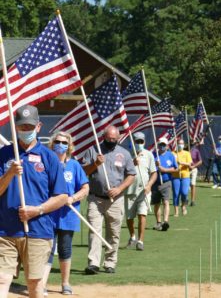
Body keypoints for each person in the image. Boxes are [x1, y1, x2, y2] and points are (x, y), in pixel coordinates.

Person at [0, 104, 68, 298]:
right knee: (2, 279)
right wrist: (10, 173)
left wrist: (36, 210)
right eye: (22, 127)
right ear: (15, 127)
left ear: (39, 127)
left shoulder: (49, 157)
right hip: (5, 230)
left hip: (38, 230)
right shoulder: (4, 155)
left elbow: (62, 196)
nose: (26, 131)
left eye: (30, 127)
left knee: (35, 284)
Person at [82, 126, 136, 275]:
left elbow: (131, 174)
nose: (111, 141)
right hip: (96, 198)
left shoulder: (124, 154)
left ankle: (110, 262)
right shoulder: (93, 151)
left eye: (114, 139)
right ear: (103, 136)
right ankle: (93, 263)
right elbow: (83, 172)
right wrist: (96, 164)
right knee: (94, 230)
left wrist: (119, 189)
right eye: (109, 139)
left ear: (118, 138)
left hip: (116, 200)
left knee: (114, 232)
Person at [43, 131, 89, 295]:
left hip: (68, 216)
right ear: (52, 142)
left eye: (64, 142)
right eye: (57, 141)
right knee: (46, 249)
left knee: (65, 249)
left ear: (69, 146)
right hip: (48, 214)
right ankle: (42, 284)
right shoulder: (46, 162)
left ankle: (65, 283)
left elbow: (85, 187)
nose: (60, 144)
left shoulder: (74, 165)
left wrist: (73, 198)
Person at [125, 132, 157, 251]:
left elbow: (154, 173)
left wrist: (149, 185)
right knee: (129, 217)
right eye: (136, 142)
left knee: (142, 214)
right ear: (132, 142)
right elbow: (122, 173)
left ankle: (140, 241)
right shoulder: (127, 155)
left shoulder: (149, 155)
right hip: (129, 190)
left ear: (144, 142)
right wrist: (131, 164)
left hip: (144, 191)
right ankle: (132, 237)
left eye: (141, 141)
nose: (139, 144)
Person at [152, 137, 178, 231]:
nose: (162, 146)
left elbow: (175, 168)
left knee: (166, 202)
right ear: (158, 145)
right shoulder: (153, 154)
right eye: (161, 144)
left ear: (167, 146)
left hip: (167, 182)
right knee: (156, 203)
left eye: (164, 145)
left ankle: (165, 222)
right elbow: (149, 167)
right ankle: (158, 222)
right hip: (155, 182)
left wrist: (164, 170)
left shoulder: (170, 155)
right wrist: (155, 165)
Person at [172, 139, 193, 216]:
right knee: (176, 193)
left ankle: (183, 206)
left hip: (185, 176)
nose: (180, 145)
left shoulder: (187, 153)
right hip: (175, 176)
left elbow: (190, 164)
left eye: (182, 143)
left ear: (184, 145)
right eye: (179, 143)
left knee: (184, 192)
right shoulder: (173, 153)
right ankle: (176, 211)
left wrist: (182, 163)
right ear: (176, 144)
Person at [189, 140, 203, 206]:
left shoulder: (196, 151)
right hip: (185, 170)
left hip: (194, 169)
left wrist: (194, 166)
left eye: (193, 143)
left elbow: (200, 161)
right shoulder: (185, 150)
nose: (192, 144)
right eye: (191, 142)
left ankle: (192, 201)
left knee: (193, 184)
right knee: (186, 185)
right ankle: (185, 199)